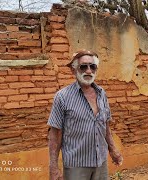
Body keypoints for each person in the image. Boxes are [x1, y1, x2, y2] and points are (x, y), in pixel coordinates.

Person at [47, 50, 123, 180]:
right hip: (76, 166)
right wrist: (53, 166)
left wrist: (113, 149)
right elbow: (55, 134)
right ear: (74, 70)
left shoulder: (101, 93)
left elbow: (105, 125)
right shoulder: (62, 97)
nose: (89, 71)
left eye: (92, 66)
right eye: (83, 66)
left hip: (101, 163)